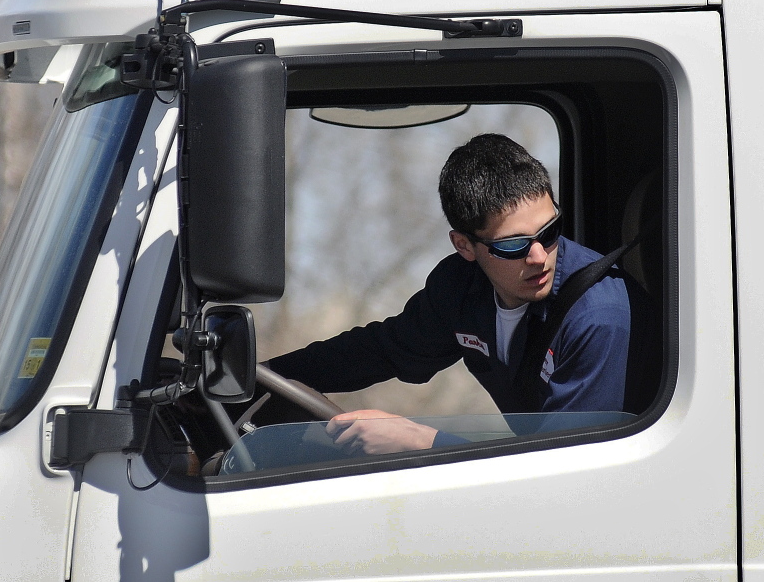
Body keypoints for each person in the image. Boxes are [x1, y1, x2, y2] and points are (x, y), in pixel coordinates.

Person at [266, 133, 636, 456]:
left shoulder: (597, 316)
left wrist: (420, 441)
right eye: (513, 245)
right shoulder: (459, 286)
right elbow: (381, 351)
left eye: (549, 231)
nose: (539, 256)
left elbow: (565, 468)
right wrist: (262, 378)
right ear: (464, 246)